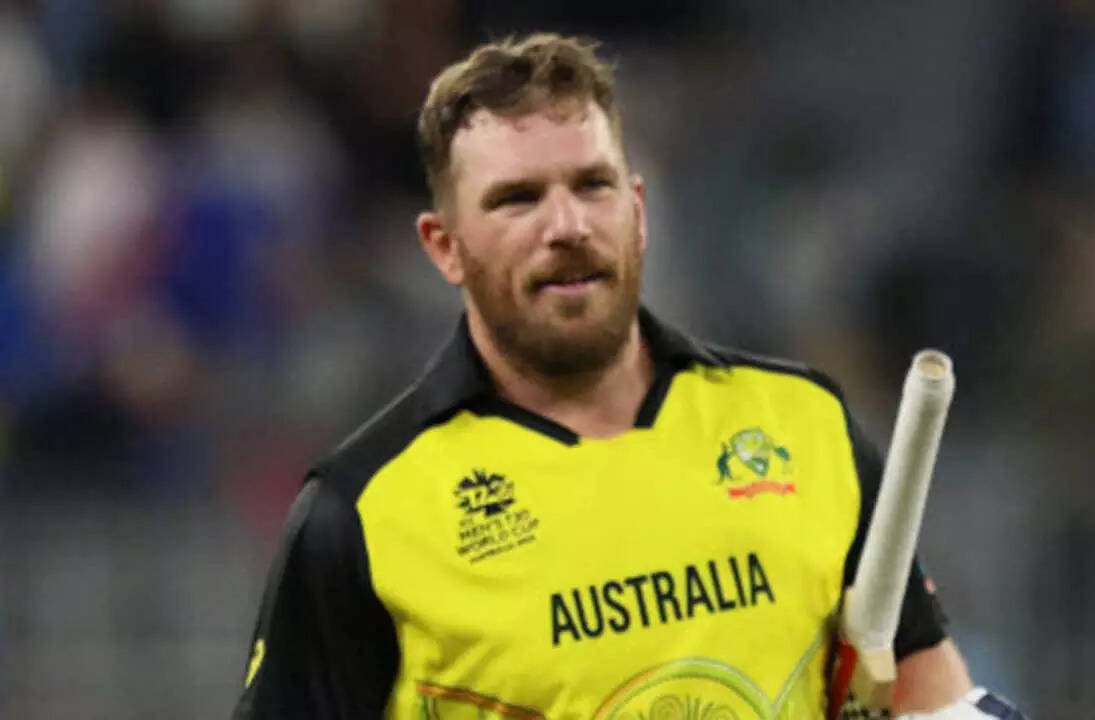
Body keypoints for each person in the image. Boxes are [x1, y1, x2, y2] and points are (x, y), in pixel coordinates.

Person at [233, 33, 1024, 720]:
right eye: (517, 199)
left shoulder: (805, 425)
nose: (567, 225)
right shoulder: (362, 513)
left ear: (637, 210)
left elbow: (919, 685)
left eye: (592, 185)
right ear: (445, 246)